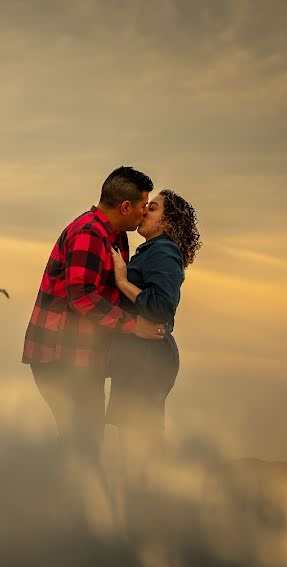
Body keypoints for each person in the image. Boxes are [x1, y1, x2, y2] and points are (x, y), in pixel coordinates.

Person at [22, 166, 165, 473]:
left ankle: (73, 506)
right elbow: (82, 296)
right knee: (82, 443)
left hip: (82, 356)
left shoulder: (115, 236)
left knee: (86, 442)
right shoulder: (88, 233)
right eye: (142, 207)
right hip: (60, 356)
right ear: (125, 207)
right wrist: (133, 327)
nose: (143, 215)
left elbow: (109, 291)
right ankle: (64, 509)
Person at [107, 189, 201, 492]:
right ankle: (147, 510)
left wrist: (122, 282)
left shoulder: (164, 251)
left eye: (153, 207)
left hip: (147, 362)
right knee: (135, 445)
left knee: (140, 447)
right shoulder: (153, 250)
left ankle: (150, 513)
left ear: (169, 224)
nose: (143, 210)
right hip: (142, 360)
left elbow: (162, 307)